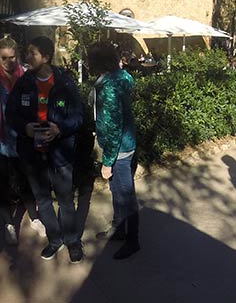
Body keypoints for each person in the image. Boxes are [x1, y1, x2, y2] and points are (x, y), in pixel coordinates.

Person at [7, 36, 84, 262]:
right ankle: (55, 239)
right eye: (27, 53)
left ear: (46, 57)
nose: (27, 57)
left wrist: (59, 129)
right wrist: (26, 128)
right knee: (42, 200)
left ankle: (72, 241)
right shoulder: (23, 82)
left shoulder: (65, 83)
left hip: (60, 153)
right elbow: (11, 114)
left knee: (66, 199)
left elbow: (78, 118)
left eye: (32, 53)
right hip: (32, 153)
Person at [87, 41, 141, 260]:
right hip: (123, 145)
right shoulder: (119, 77)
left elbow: (113, 127)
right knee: (118, 191)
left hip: (117, 150)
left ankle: (133, 240)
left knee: (125, 194)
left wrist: (107, 162)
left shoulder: (109, 87)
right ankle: (119, 229)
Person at [0, 36, 43, 246]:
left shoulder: (25, 76)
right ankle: (9, 223)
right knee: (2, 184)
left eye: (12, 57)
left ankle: (34, 218)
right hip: (1, 141)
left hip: (23, 139)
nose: (9, 62)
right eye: (4, 58)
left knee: (27, 180)